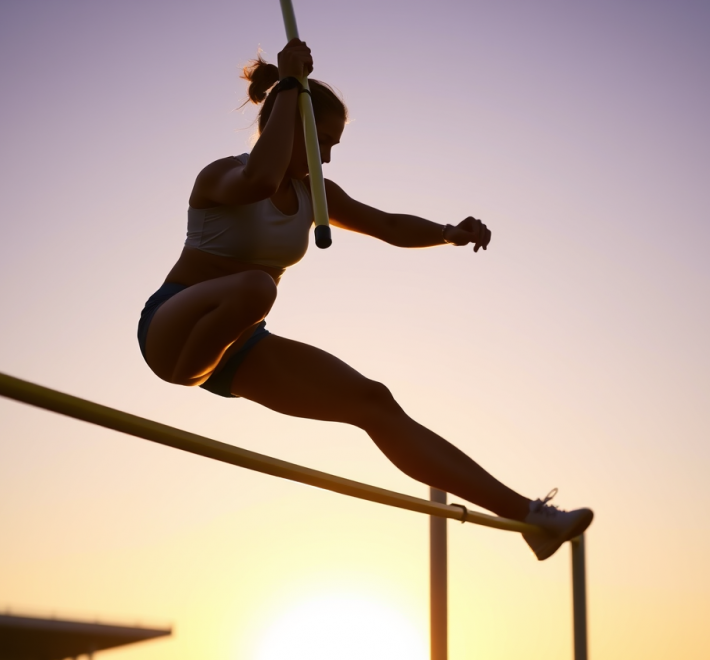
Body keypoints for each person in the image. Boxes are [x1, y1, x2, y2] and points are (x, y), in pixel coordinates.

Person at [137, 39, 593, 560]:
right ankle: (210, 343)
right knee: (257, 287)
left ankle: (528, 519)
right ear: (293, 126)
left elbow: (389, 227)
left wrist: (450, 231)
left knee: (373, 400)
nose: (328, 156)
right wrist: (289, 81)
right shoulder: (220, 174)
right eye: (322, 141)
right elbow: (261, 176)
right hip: (172, 328)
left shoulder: (316, 194)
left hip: (238, 347)